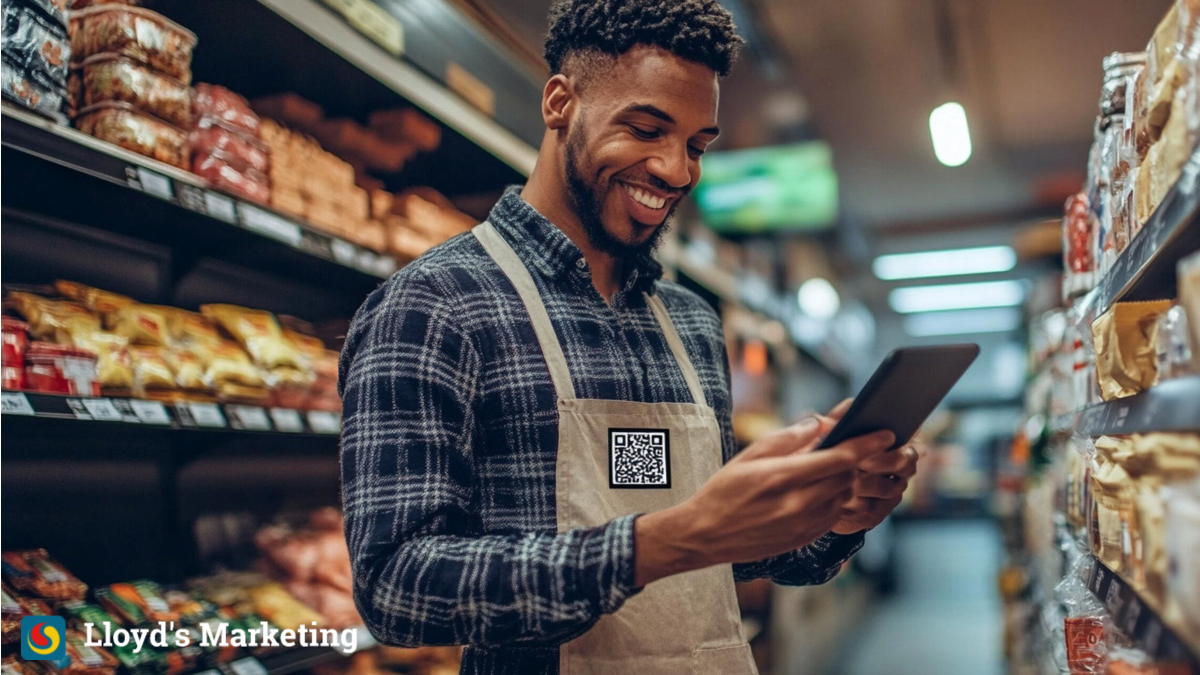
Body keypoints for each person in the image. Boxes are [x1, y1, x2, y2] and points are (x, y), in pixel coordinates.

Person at [338, 1, 920, 673]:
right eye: (646, 129)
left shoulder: (692, 324)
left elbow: (714, 546)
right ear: (560, 102)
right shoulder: (433, 307)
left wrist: (834, 514)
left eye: (698, 146)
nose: (677, 170)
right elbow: (395, 586)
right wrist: (660, 543)